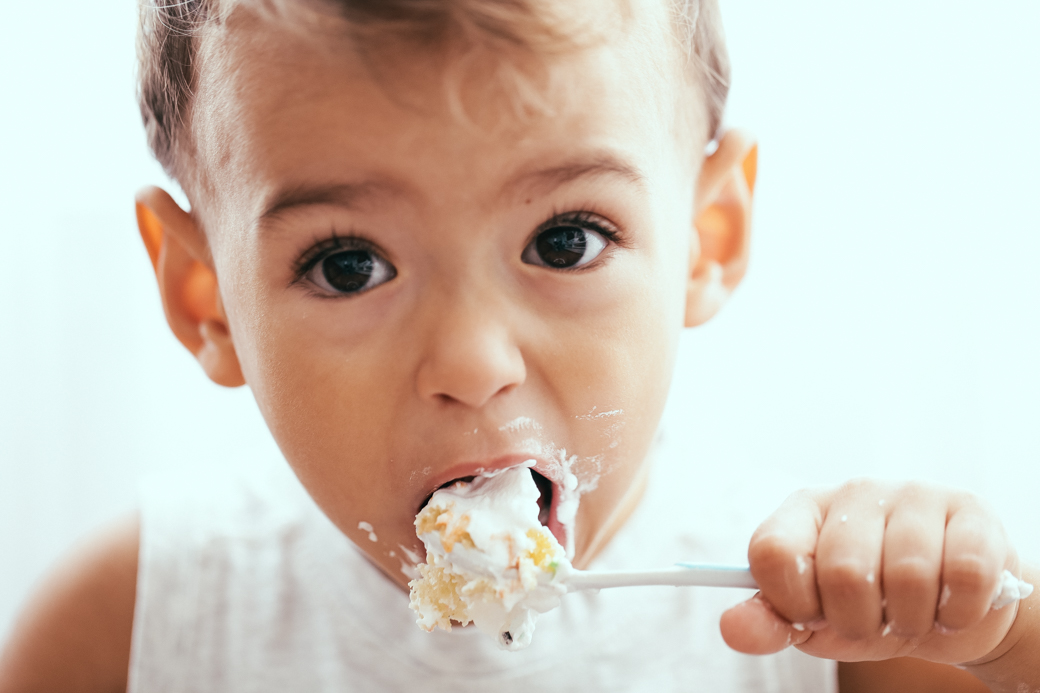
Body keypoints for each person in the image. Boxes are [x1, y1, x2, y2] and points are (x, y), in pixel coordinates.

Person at [0, 0, 1035, 690]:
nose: (470, 361)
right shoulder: (138, 630)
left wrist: (1000, 640)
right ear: (204, 298)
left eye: (564, 240)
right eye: (348, 265)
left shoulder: (842, 641)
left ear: (705, 240)